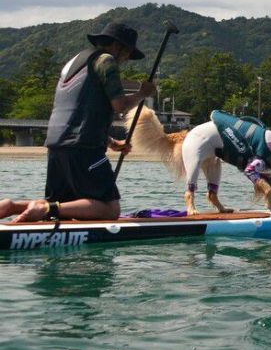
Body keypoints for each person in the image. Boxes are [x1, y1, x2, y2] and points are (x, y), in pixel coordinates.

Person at [0, 22, 156, 224]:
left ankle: (11, 206)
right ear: (117, 46)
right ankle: (43, 209)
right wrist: (142, 93)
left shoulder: (74, 63)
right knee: (110, 209)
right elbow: (120, 105)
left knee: (65, 204)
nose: (126, 60)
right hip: (84, 147)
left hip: (56, 145)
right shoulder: (106, 60)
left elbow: (77, 110)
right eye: (127, 54)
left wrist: (110, 142)